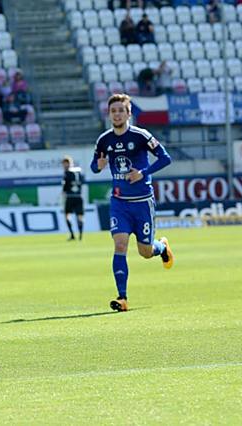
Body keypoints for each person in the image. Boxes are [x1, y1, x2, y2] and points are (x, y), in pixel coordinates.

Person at [90, 94, 174, 313]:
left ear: (129, 113)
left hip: (142, 202)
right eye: (113, 110)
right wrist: (98, 165)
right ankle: (122, 298)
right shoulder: (104, 140)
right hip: (119, 202)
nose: (117, 114)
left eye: (121, 110)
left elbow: (165, 158)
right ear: (109, 115)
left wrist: (143, 173)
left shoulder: (141, 136)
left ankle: (162, 246)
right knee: (119, 245)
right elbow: (94, 166)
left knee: (145, 252)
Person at [61, 156, 85, 241]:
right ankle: (80, 235)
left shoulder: (67, 173)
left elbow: (65, 186)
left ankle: (72, 235)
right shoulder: (79, 171)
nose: (64, 165)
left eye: (65, 163)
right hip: (79, 196)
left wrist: (63, 193)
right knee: (80, 217)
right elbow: (82, 181)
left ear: (68, 163)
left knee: (67, 216)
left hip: (70, 197)